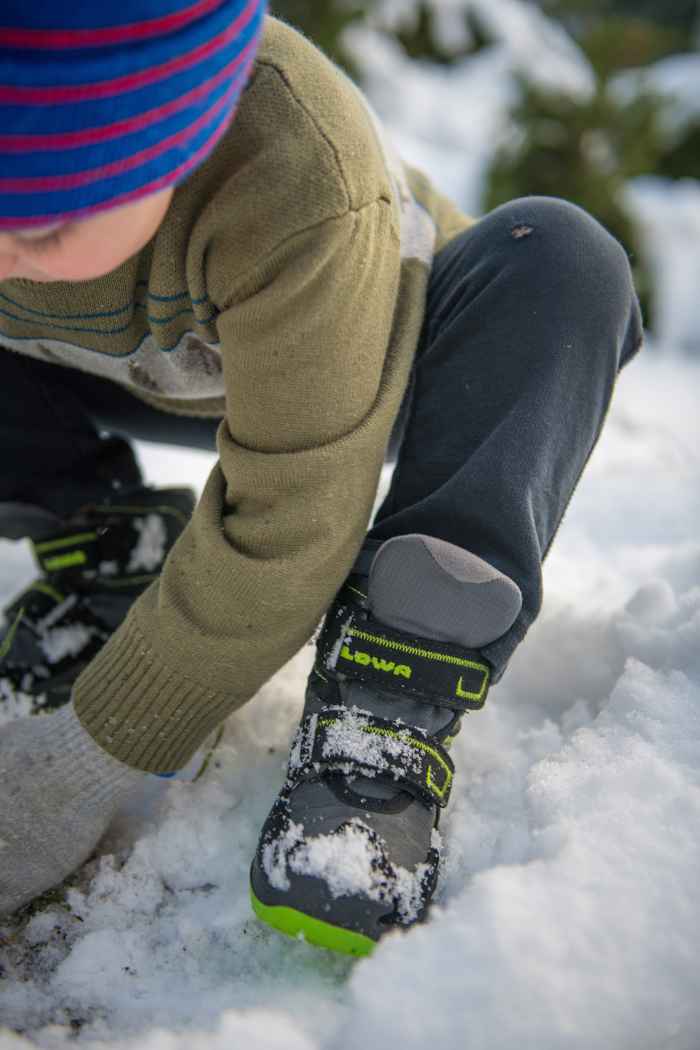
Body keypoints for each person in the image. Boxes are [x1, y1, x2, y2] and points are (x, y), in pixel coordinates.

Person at [0, 1, 643, 955]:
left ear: (177, 141)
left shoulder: (295, 171)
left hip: (392, 359)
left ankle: (393, 685)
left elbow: (293, 519)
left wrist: (91, 756)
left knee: (562, 264)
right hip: (114, 361)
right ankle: (107, 549)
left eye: (44, 220)